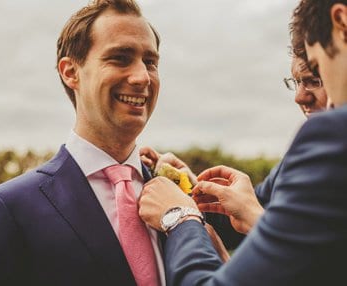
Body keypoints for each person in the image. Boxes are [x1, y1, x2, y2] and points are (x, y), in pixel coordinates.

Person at [136, 1, 347, 284]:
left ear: (341, 24)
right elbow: (269, 215)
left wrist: (180, 217)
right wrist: (194, 191)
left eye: (317, 75)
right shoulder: (300, 161)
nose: (299, 97)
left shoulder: (331, 139)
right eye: (294, 82)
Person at [0, 1, 172, 285]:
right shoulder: (8, 209)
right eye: (120, 58)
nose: (142, 77)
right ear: (71, 72)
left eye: (150, 62)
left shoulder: (181, 200)